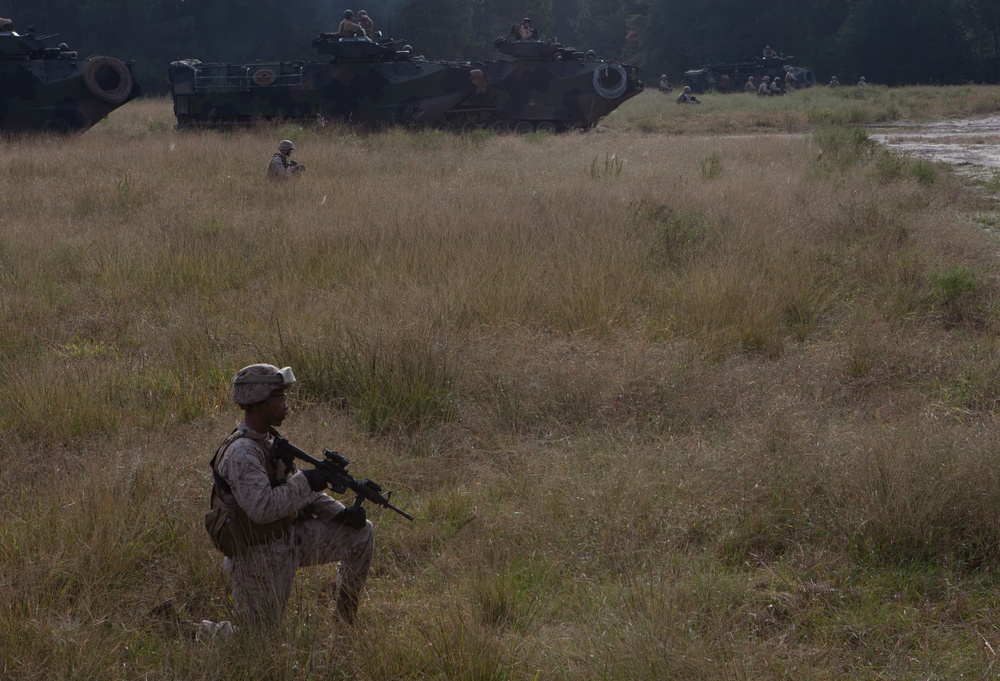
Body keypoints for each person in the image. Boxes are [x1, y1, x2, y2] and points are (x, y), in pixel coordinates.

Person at [209, 363, 375, 626]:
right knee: (255, 640)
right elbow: (262, 509)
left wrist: (339, 513)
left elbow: (298, 493)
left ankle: (345, 620)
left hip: (290, 540)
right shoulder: (242, 452)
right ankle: (201, 633)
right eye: (280, 397)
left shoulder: (269, 441)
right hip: (258, 556)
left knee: (362, 534)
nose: (286, 405)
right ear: (259, 401)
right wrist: (307, 480)